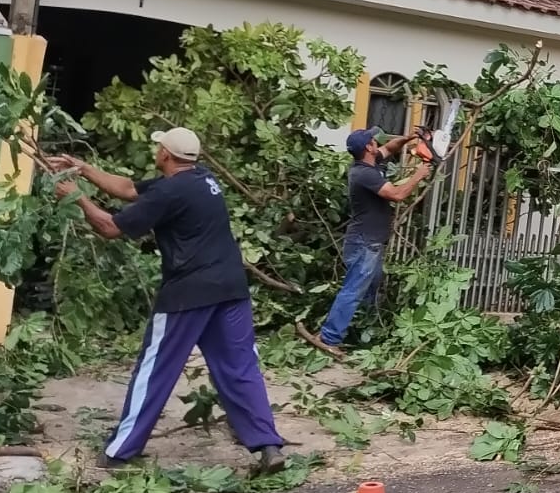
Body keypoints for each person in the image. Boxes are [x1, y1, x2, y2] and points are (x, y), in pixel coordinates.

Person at [49, 128, 288, 473]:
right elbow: (129, 189)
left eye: (158, 147)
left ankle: (119, 452)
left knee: (155, 370)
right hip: (230, 288)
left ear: (164, 154)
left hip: (188, 293)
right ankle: (268, 446)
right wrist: (84, 169)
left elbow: (110, 228)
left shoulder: (170, 192)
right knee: (241, 368)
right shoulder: (201, 179)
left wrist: (75, 197)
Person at [303, 127, 430, 357]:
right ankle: (329, 337)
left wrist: (409, 137)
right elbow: (397, 195)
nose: (377, 141)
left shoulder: (369, 161)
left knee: (370, 289)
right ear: (368, 148)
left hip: (371, 241)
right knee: (353, 290)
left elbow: (390, 147)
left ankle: (359, 332)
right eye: (373, 140)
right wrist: (418, 175)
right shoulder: (364, 174)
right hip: (364, 243)